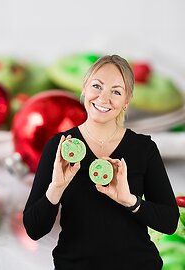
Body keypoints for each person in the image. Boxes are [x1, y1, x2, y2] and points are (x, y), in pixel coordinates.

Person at [23, 55, 179, 270]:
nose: (103, 98)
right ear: (85, 88)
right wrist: (56, 188)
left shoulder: (143, 149)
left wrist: (130, 201)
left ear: (127, 100)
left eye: (116, 91)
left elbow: (169, 221)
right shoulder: (60, 147)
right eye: (97, 86)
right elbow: (33, 229)